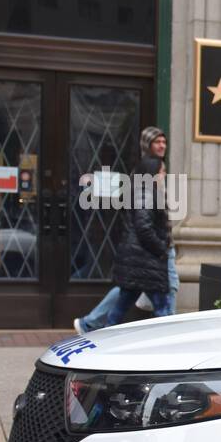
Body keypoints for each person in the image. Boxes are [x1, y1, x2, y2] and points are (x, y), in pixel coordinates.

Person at [74, 127, 178, 333]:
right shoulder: (145, 177)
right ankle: (169, 332)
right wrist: (161, 248)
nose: (162, 146)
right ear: (147, 145)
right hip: (149, 249)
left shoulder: (152, 176)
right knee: (166, 289)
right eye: (157, 142)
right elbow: (143, 222)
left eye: (164, 142)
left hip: (147, 248)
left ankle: (93, 324)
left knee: (128, 291)